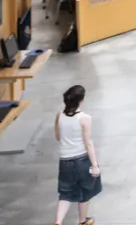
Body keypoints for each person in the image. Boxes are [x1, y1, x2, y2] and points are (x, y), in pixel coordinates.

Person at [54, 85, 101, 225]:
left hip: (64, 161)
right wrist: (94, 165)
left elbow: (58, 137)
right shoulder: (85, 118)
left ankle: (58, 222)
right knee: (84, 192)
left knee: (65, 193)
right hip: (81, 160)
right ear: (81, 100)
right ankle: (82, 221)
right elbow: (88, 143)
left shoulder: (59, 115)